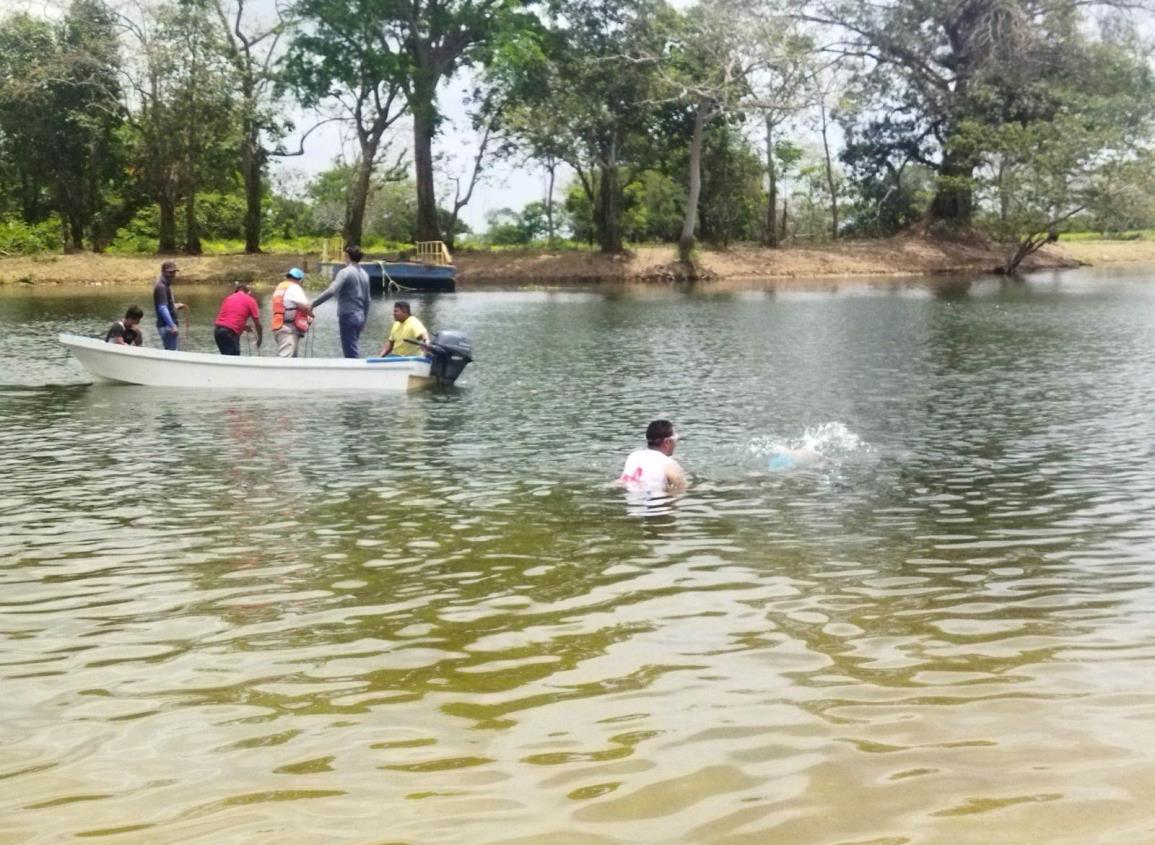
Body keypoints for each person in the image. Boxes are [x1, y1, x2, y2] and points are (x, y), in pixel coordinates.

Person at [311, 244, 370, 358]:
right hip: (360, 315)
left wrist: (314, 304)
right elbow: (368, 300)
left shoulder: (345, 272)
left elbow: (332, 291)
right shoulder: (365, 274)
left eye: (344, 255)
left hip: (348, 314)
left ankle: (355, 373)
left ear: (347, 256)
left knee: (350, 351)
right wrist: (364, 320)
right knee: (354, 346)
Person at [618, 419, 687, 494]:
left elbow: (622, 482)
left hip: (632, 501)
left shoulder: (633, 456)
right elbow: (682, 490)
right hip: (656, 503)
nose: (676, 443)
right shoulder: (669, 464)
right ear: (667, 442)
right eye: (676, 439)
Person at [271, 267, 312, 358]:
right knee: (285, 361)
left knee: (292, 361)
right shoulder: (294, 287)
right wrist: (311, 315)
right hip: (288, 328)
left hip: (279, 325)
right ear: (300, 280)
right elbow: (306, 306)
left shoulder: (281, 286)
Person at [213, 281, 263, 356]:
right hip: (229, 333)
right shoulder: (250, 300)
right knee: (234, 360)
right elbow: (257, 324)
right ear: (248, 292)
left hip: (218, 331)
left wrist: (243, 327)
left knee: (227, 358)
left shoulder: (228, 298)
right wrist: (260, 339)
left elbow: (228, 319)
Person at [153, 260, 187, 350]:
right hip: (167, 326)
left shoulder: (165, 285)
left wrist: (175, 306)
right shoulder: (161, 286)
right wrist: (172, 325)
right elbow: (162, 307)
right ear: (163, 272)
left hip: (169, 326)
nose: (172, 275)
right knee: (172, 355)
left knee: (174, 354)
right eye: (170, 272)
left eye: (174, 272)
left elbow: (165, 305)